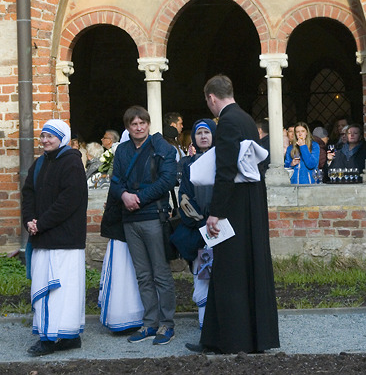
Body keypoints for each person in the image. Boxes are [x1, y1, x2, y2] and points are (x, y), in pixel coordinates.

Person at [185, 74, 279, 354]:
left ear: (211, 98)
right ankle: (241, 338)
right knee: (246, 267)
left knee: (229, 270)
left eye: (208, 102)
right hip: (250, 202)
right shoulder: (247, 119)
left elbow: (225, 170)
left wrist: (216, 213)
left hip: (234, 206)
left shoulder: (226, 122)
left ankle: (229, 339)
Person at [110, 106, 178, 345]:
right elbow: (115, 181)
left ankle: (167, 324)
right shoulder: (122, 151)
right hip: (130, 218)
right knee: (143, 275)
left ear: (148, 124)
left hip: (153, 215)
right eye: (134, 124)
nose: (138, 128)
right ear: (128, 127)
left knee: (160, 272)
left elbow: (168, 179)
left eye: (142, 123)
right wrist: (124, 196)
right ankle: (150, 322)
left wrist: (139, 198)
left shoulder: (160, 148)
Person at [22, 119, 88, 356]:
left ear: (62, 138)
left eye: (51, 136)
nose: (45, 140)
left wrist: (42, 223)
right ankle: (50, 334)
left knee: (63, 289)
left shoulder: (71, 162)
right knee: (45, 285)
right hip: (43, 237)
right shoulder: (39, 164)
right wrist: (29, 220)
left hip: (65, 239)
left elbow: (69, 200)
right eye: (43, 136)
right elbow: (28, 194)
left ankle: (62, 336)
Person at [171, 118, 217, 330]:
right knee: (203, 274)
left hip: (220, 228)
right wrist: (201, 219)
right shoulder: (188, 165)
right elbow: (185, 196)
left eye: (207, 132)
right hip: (200, 231)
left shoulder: (221, 161)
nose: (203, 137)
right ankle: (204, 320)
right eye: (199, 133)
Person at [97, 132, 144, 333]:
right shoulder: (119, 165)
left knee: (139, 272)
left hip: (140, 222)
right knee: (121, 270)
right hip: (120, 226)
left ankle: (140, 314)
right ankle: (120, 315)